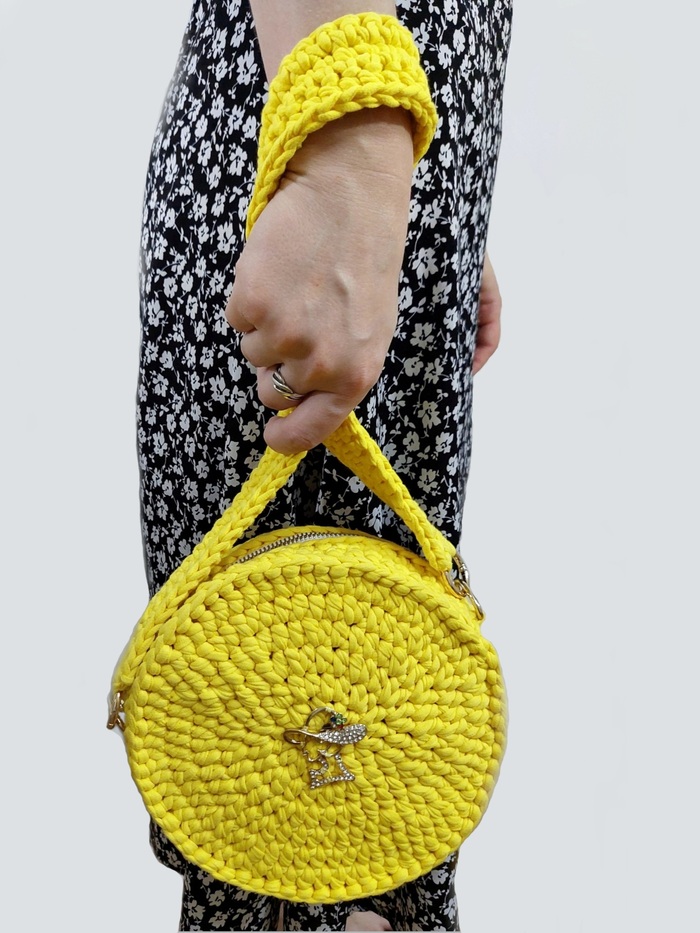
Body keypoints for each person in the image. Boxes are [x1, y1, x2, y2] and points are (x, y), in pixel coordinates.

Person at [136, 0, 512, 929]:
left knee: (353, 828)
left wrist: (421, 203)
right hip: (324, 142)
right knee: (306, 841)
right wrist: (355, 173)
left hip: (356, 143)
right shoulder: (345, 150)